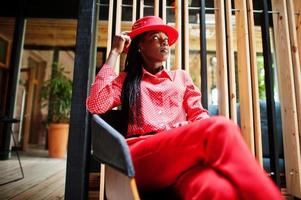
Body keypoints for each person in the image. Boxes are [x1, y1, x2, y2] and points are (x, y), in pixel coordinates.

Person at [86, 16, 283, 200]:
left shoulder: (181, 77)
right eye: (156, 38)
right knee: (221, 128)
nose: (165, 42)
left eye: (166, 39)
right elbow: (95, 104)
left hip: (180, 158)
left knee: (215, 188)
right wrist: (114, 52)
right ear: (140, 47)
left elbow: (199, 115)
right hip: (140, 158)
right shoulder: (126, 81)